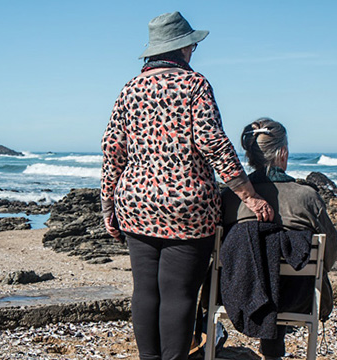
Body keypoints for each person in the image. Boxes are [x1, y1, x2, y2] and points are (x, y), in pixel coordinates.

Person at [100, 11, 273, 360]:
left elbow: (112, 150)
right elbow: (213, 142)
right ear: (184, 48)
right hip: (187, 206)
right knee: (178, 293)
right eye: (192, 45)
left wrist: (108, 207)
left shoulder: (130, 89)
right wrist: (248, 195)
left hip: (135, 202)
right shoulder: (195, 85)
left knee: (145, 291)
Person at [221, 117, 337, 360]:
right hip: (296, 298)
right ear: (282, 153)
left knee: (259, 263)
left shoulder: (230, 198)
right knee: (284, 272)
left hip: (235, 295)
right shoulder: (307, 197)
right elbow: (330, 253)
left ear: (250, 156)